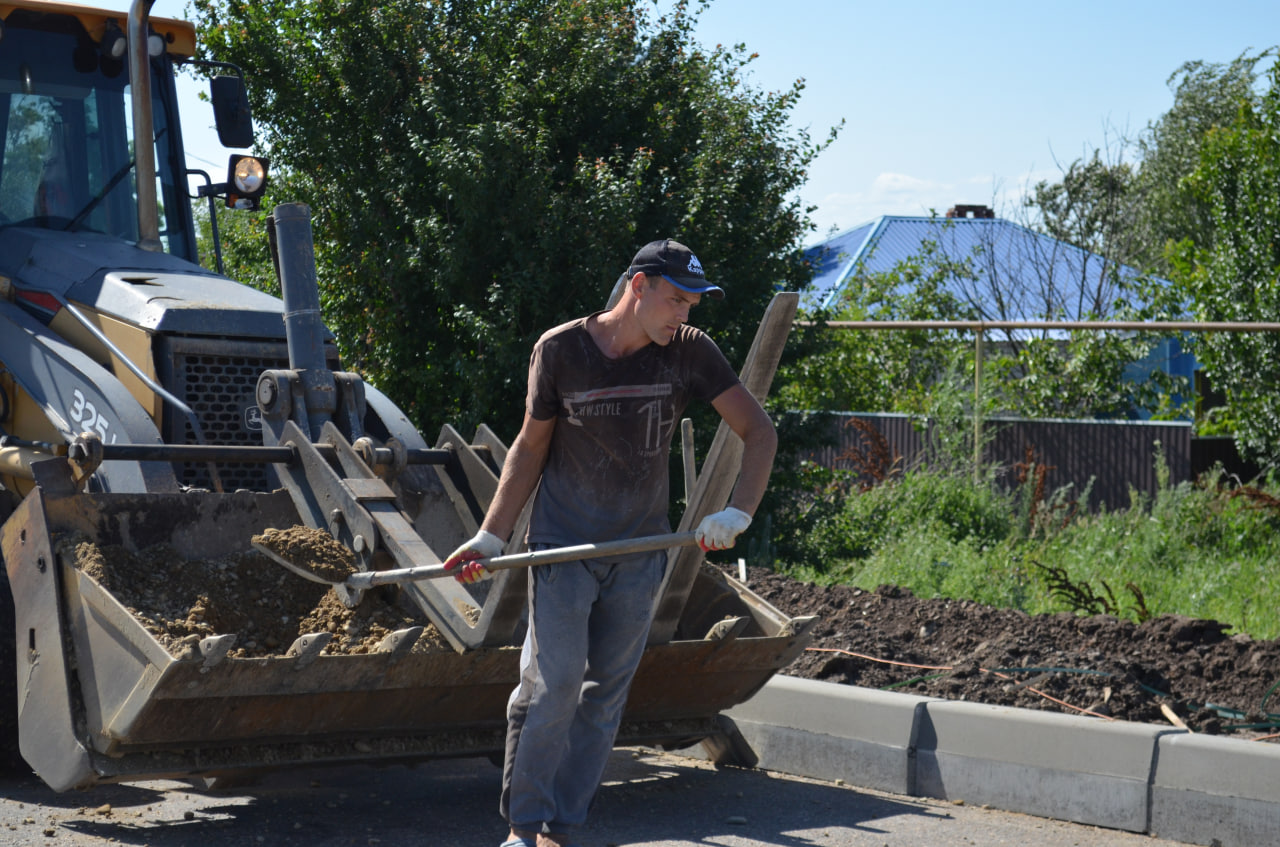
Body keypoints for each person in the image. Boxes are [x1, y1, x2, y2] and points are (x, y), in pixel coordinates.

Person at [443, 238, 778, 847]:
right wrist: (491, 535)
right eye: (677, 299)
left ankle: (563, 831)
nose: (685, 314)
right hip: (563, 545)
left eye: (694, 303)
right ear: (639, 286)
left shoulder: (689, 353)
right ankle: (523, 828)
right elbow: (530, 446)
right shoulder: (561, 350)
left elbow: (759, 431)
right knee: (555, 683)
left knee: (604, 696)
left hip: (640, 551)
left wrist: (738, 512)